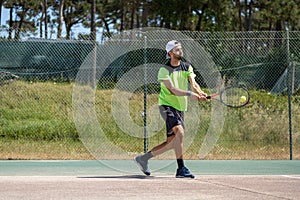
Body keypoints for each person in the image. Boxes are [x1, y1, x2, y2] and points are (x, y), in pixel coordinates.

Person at [135, 40, 207, 178]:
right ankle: (181, 169)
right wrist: (191, 94)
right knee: (180, 132)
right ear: (170, 53)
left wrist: (200, 92)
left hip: (180, 108)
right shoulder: (164, 70)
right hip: (166, 105)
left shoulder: (187, 67)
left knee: (172, 143)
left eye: (181, 49)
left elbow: (194, 83)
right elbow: (173, 90)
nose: (181, 51)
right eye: (177, 49)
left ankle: (143, 159)